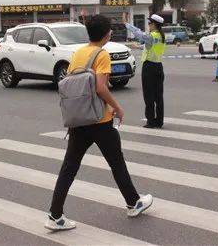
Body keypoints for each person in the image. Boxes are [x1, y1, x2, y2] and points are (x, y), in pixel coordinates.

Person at [46, 15, 153, 231]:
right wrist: (117, 107)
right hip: (100, 121)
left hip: (79, 120)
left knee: (69, 168)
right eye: (110, 31)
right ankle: (133, 203)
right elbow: (101, 88)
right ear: (106, 34)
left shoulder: (79, 53)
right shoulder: (102, 54)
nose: (111, 33)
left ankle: (55, 215)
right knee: (117, 163)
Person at [122, 13, 166, 129]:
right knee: (158, 96)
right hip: (158, 67)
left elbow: (138, 33)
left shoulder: (151, 35)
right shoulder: (161, 36)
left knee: (149, 96)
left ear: (155, 24)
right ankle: (159, 121)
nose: (148, 25)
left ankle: (151, 121)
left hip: (149, 68)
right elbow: (151, 46)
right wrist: (139, 47)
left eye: (150, 23)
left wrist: (127, 24)